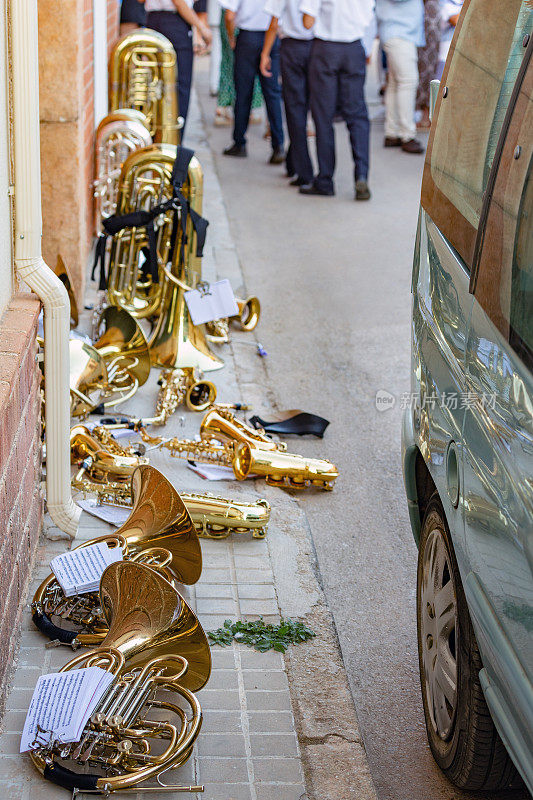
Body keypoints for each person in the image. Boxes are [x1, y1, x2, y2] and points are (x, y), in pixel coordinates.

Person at [298, 0, 374, 201]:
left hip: (326, 49)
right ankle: (362, 175)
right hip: (354, 48)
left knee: (323, 117)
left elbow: (307, 21)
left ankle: (325, 179)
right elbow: (369, 17)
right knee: (357, 116)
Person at [220, 0, 285, 163]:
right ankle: (278, 145)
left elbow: (229, 16)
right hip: (271, 36)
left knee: (243, 94)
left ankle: (239, 142)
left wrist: (231, 37)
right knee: (272, 95)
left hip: (248, 38)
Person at [260, 0, 314, 186]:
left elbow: (274, 23)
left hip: (293, 48)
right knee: (306, 109)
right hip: (318, 47)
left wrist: (265, 53)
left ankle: (302, 169)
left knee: (295, 109)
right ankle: (295, 163)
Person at [143, 0, 213, 131]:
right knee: (180, 87)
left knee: (155, 83)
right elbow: (179, 2)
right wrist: (202, 28)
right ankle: (175, 142)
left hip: (152, 20)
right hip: (174, 22)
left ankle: (157, 136)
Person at [375, 0, 425, 154]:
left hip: (398, 32)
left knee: (396, 84)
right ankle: (407, 135)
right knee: (407, 82)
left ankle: (393, 132)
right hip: (399, 33)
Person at [216, 8, 265, 126]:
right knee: (245, 67)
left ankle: (224, 106)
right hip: (242, 21)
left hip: (231, 16)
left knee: (228, 62)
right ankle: (245, 110)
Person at [416, 0, 441, 130]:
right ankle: (424, 115)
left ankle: (426, 115)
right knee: (425, 69)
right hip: (428, 19)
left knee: (428, 69)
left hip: (432, 20)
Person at [437, 0, 463, 77]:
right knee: (442, 82)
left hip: (467, 50)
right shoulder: (445, 1)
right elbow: (456, 21)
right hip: (448, 51)